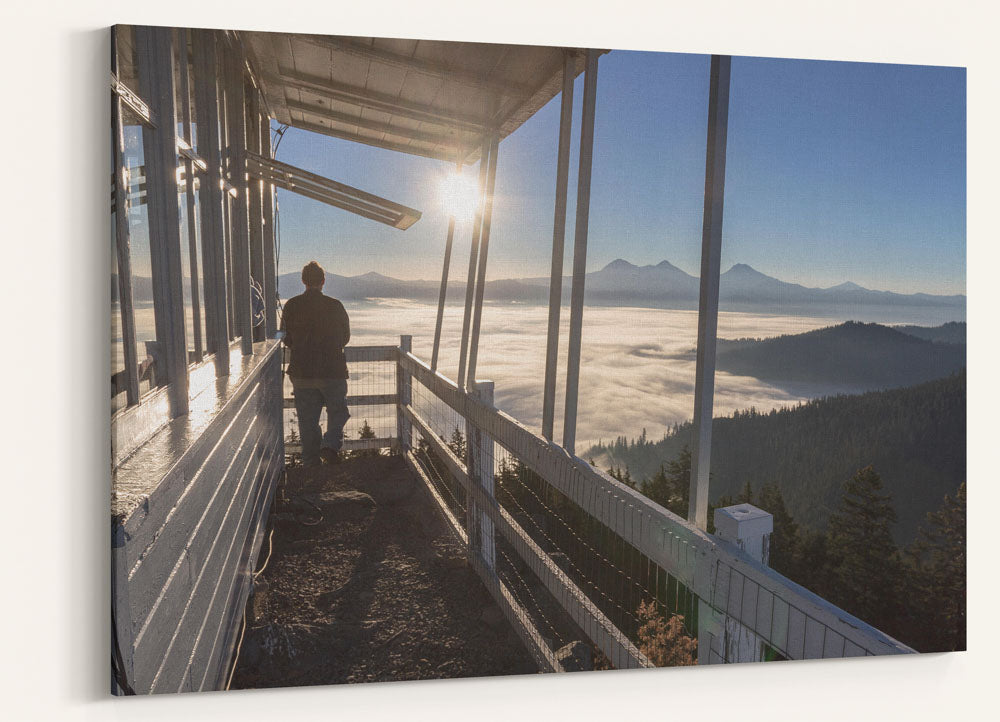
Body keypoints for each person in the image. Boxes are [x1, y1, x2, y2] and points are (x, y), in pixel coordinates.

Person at [281, 261, 351, 466]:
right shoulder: (335, 306)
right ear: (323, 281)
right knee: (338, 411)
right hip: (333, 371)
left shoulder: (292, 305)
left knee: (307, 420)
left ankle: (311, 463)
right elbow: (345, 337)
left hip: (302, 372)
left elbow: (286, 338)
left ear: (303, 281)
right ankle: (330, 445)